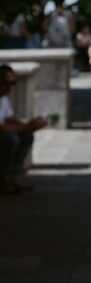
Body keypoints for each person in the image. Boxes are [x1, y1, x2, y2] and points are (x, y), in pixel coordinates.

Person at [0, 63, 47, 193]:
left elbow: (11, 119)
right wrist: (26, 126)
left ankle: (8, 178)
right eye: (5, 83)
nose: (9, 87)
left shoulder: (3, 98)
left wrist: (30, 125)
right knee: (10, 139)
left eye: (12, 84)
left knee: (26, 136)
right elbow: (2, 127)